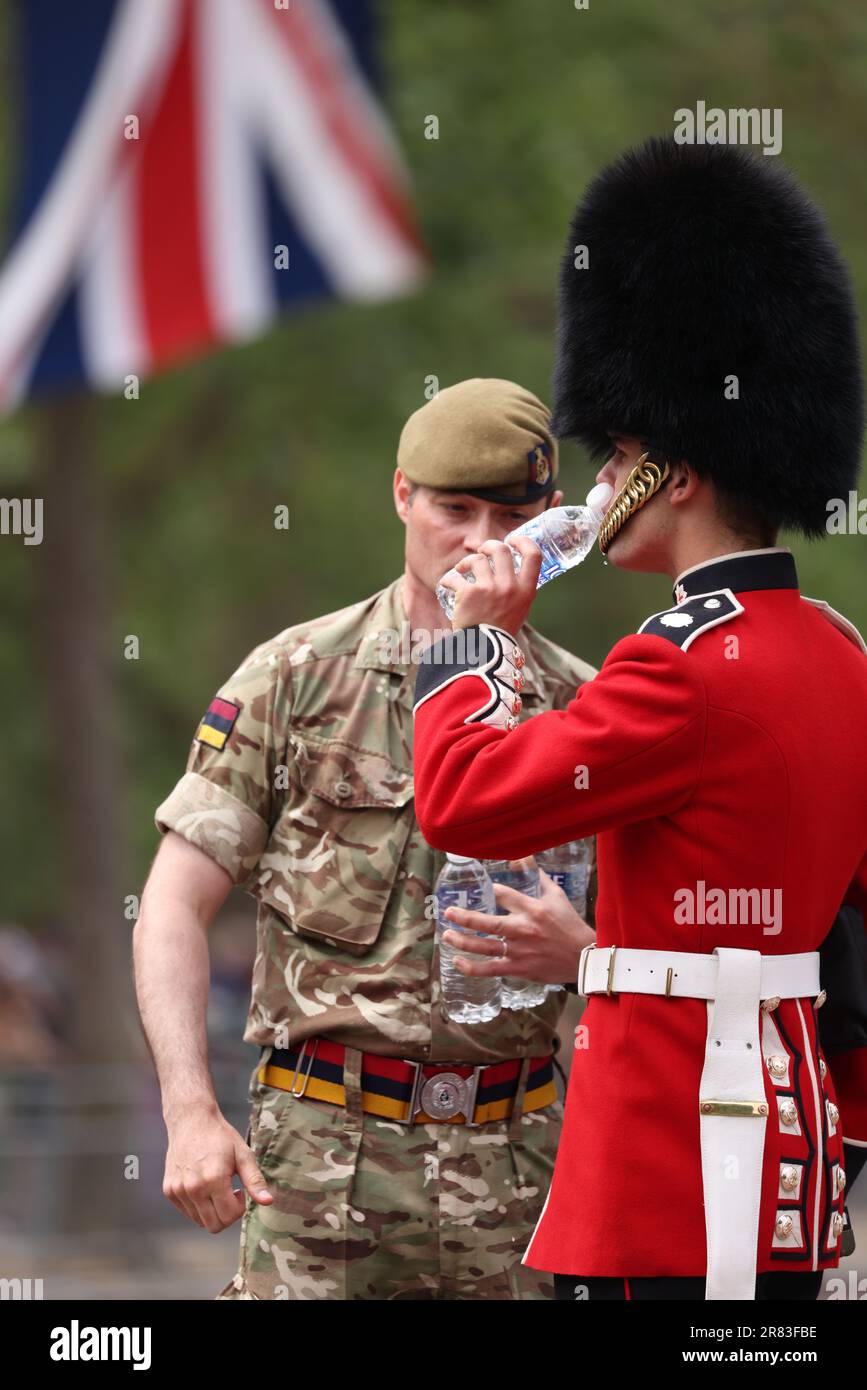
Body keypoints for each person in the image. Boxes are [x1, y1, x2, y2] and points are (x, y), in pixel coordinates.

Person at [411, 137, 867, 1301]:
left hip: (671, 1168)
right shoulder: (839, 655)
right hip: (786, 1161)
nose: (601, 487)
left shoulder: (678, 663)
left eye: (615, 454)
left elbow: (465, 797)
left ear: (680, 467)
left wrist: (473, 639)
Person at [134, 378, 597, 1300]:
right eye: (451, 508)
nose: (476, 540)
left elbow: (654, 936)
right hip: (322, 1163)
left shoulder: (582, 709)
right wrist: (189, 1110)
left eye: (508, 516)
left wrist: (586, 955)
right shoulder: (298, 676)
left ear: (549, 522)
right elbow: (172, 904)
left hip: (519, 1165)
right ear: (401, 496)